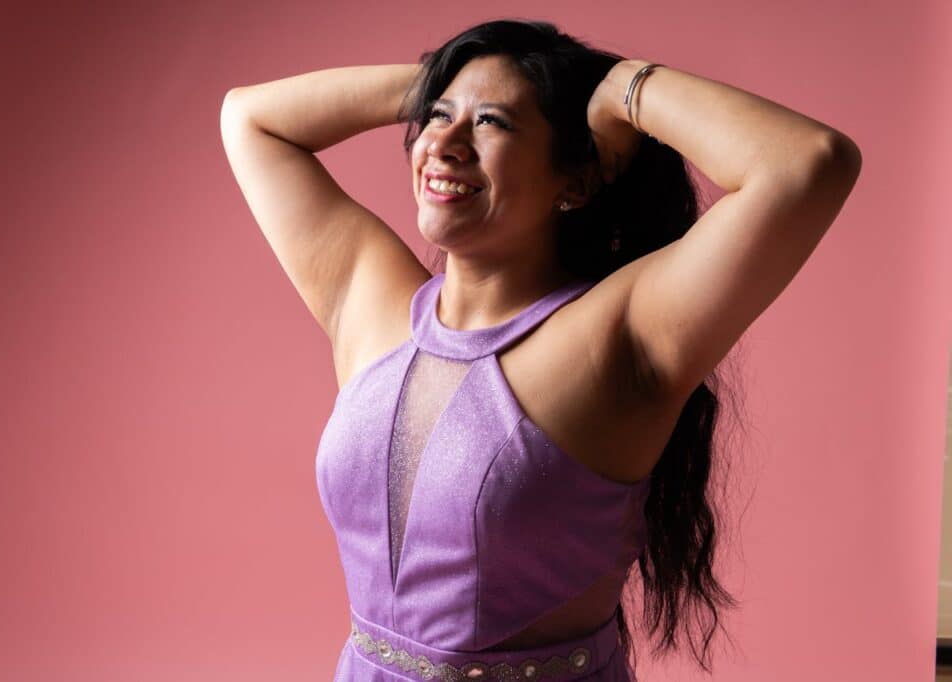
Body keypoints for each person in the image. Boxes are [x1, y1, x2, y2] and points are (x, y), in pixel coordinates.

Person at [220, 19, 861, 681]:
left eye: (492, 123)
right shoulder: (369, 300)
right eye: (439, 118)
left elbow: (807, 162)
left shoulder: (618, 339)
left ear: (575, 183)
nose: (444, 142)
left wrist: (618, 89)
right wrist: (442, 85)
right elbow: (250, 118)